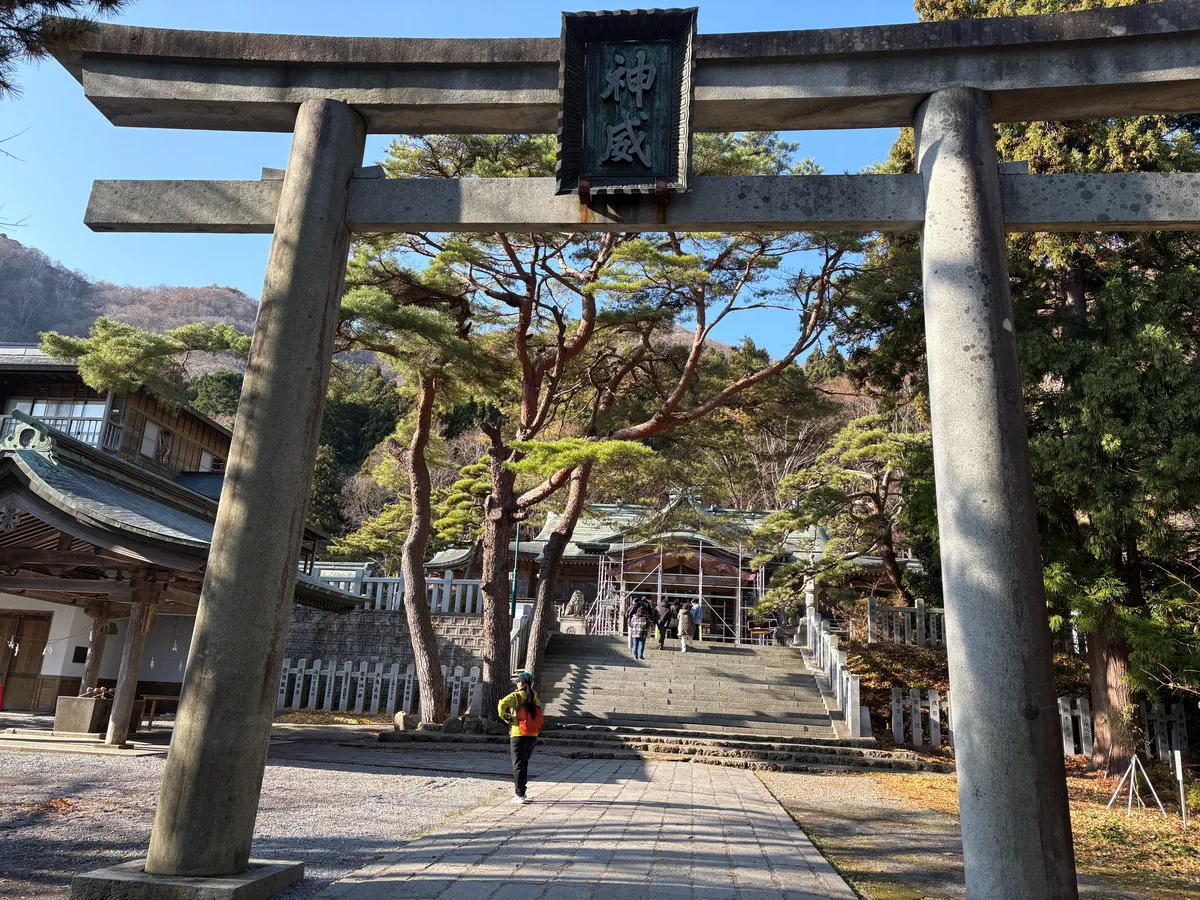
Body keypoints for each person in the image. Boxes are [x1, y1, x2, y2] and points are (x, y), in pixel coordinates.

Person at [498, 671, 543, 804]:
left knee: (518, 765)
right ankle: (522, 790)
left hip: (518, 734)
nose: (517, 683)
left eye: (518, 681)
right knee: (524, 763)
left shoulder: (516, 696)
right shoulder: (535, 697)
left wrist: (507, 717)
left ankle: (519, 794)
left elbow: (501, 704)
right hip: (532, 735)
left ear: (521, 683)